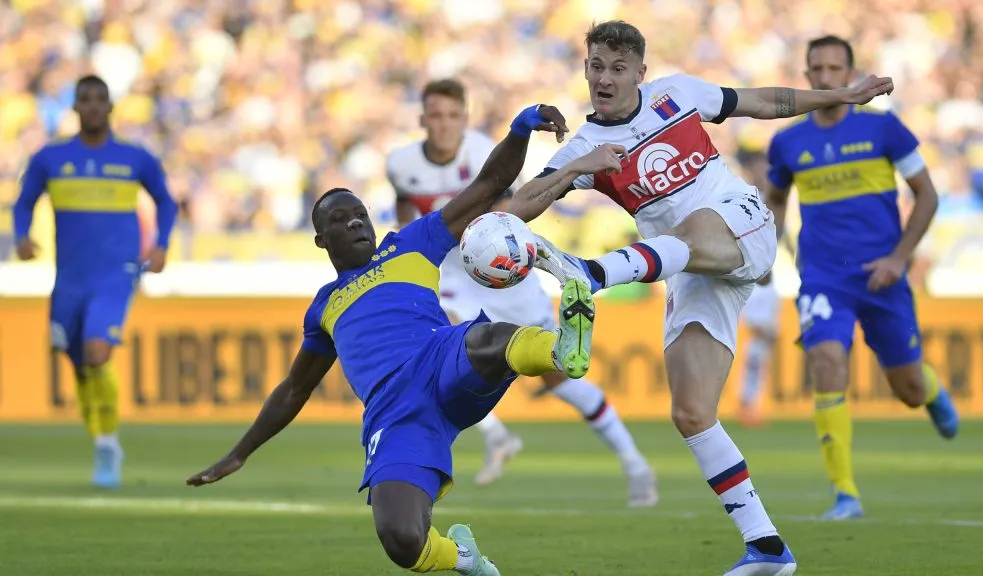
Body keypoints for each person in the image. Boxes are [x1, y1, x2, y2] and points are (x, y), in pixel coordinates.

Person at [506, 19, 895, 576]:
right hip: (687, 269)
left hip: (740, 223)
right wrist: (573, 169)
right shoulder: (588, 146)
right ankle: (767, 548)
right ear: (585, 69)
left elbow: (762, 101)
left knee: (688, 231)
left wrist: (840, 95)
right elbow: (520, 207)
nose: (605, 79)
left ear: (640, 72)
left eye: (618, 68)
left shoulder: (678, 95)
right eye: (596, 67)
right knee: (691, 413)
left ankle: (591, 274)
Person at [185, 104, 626, 576]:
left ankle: (560, 351)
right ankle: (465, 560)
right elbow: (295, 389)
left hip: (440, 359)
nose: (356, 222)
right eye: (341, 219)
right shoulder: (324, 307)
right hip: (395, 415)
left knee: (485, 338)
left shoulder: (411, 244)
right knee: (401, 539)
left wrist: (520, 128)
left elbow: (486, 187)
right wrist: (239, 452)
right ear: (320, 239)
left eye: (360, 214)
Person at [386, 78, 656, 505]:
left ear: (465, 119)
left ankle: (635, 463)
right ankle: (497, 436)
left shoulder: (481, 154)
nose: (443, 125)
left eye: (452, 116)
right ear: (423, 119)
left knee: (563, 377)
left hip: (504, 274)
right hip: (456, 279)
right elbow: (407, 214)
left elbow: (508, 211)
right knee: (434, 352)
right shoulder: (400, 164)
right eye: (435, 116)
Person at [763, 35, 959, 521]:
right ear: (806, 77)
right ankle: (845, 494)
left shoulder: (884, 129)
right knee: (827, 363)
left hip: (883, 275)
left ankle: (930, 390)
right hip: (823, 278)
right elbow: (775, 201)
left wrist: (899, 258)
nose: (826, 77)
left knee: (907, 390)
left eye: (835, 69)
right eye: (817, 69)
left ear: (850, 75)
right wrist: (763, 255)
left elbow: (928, 196)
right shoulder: (787, 142)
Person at [13, 74, 178, 489]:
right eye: (83, 99)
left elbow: (166, 200)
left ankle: (107, 445)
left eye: (99, 99)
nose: (91, 106)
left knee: (97, 352)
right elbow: (24, 201)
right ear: (75, 108)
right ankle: (102, 437)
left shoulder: (134, 158)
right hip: (69, 278)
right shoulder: (49, 159)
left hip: (116, 273)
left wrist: (160, 245)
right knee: (79, 363)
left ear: (110, 108)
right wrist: (22, 236)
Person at [734, 149, 780, 428]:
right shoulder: (743, 198)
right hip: (751, 277)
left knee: (764, 341)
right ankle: (747, 400)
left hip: (772, 279)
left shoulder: (780, 198)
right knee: (756, 340)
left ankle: (752, 400)